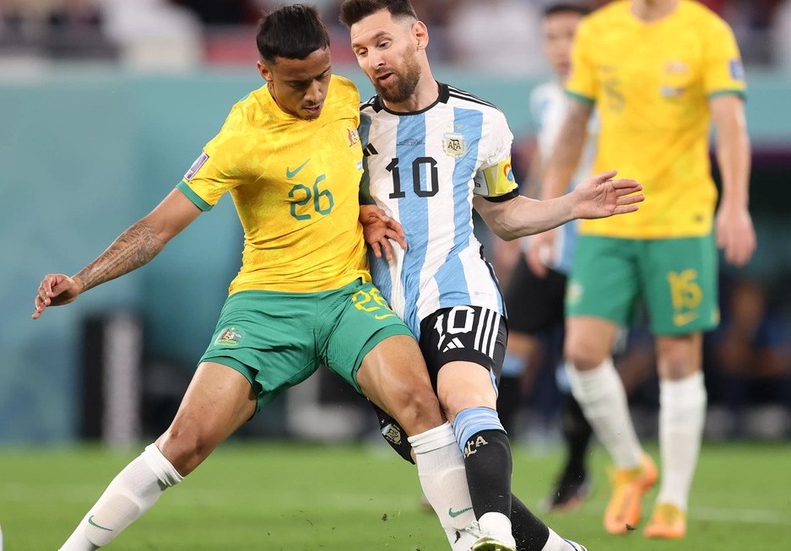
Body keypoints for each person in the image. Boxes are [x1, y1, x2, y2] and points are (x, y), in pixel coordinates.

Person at [33, 5, 483, 551]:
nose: (315, 93)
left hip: (347, 298)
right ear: (265, 72)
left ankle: (472, 543)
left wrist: (364, 207)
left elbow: (353, 170)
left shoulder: (346, 98)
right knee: (185, 443)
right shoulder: (240, 137)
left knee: (421, 406)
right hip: (267, 307)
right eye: (298, 84)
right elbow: (157, 228)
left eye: (322, 75)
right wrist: (83, 280)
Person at [338, 1, 643, 550]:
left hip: (460, 291)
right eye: (361, 50)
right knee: (428, 443)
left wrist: (571, 205)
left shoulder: (481, 121)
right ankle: (554, 547)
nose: (373, 59)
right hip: (380, 313)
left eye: (383, 43)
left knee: (467, 399)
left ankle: (492, 536)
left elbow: (502, 215)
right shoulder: (351, 129)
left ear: (419, 34)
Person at [528, 0, 757, 540]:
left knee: (678, 357)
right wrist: (551, 211)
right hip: (609, 219)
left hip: (681, 219)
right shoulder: (599, 31)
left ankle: (673, 501)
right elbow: (573, 127)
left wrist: (735, 203)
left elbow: (731, 124)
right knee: (582, 353)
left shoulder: (706, 32)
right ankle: (632, 465)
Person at [496, 1, 598, 513]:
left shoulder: (613, 97)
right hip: (548, 246)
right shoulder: (545, 98)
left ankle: (575, 477)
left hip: (601, 248)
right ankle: (487, 474)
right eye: (552, 37)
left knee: (580, 363)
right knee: (510, 351)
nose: (562, 48)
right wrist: (519, 229)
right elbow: (546, 166)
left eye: (572, 36)